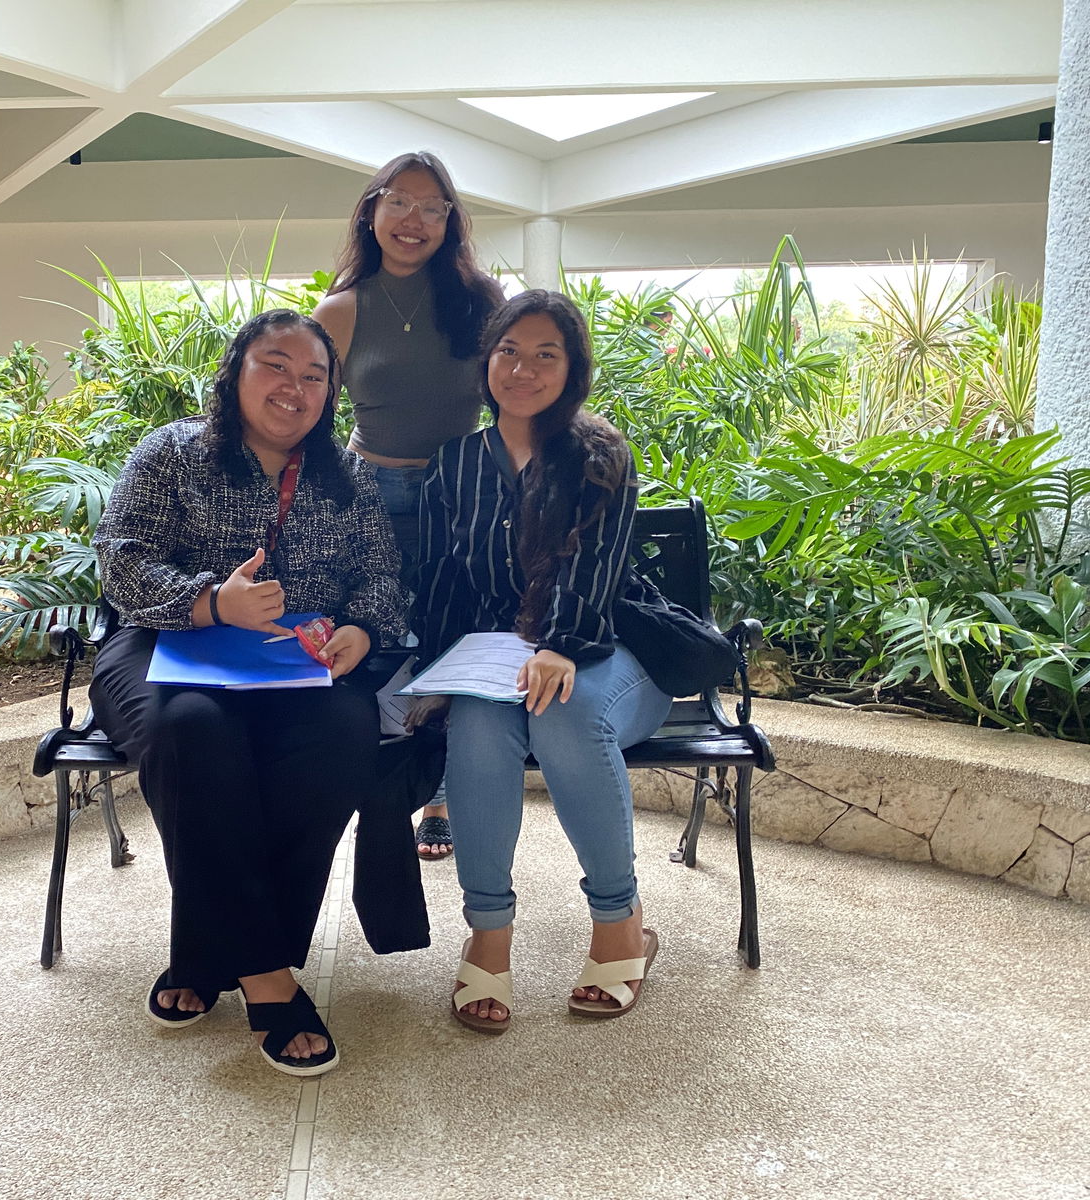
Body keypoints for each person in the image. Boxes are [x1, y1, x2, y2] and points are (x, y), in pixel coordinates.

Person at [89, 309, 405, 1077]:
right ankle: (267, 979)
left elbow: (383, 579)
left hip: (295, 661)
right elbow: (119, 559)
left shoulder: (346, 473)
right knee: (194, 731)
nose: (294, 388)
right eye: (276, 365)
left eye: (314, 375)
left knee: (340, 736)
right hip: (168, 644)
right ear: (236, 372)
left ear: (331, 393)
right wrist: (210, 602)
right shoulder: (171, 452)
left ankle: (203, 953)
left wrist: (362, 629)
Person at [410, 290, 672, 1033]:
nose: (523, 368)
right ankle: (489, 936)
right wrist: (441, 676)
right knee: (481, 727)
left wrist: (560, 646)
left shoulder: (599, 454)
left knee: (562, 715)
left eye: (545, 354)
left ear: (573, 367)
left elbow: (597, 575)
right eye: (509, 351)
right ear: (487, 360)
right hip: (505, 661)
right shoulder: (455, 464)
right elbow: (439, 582)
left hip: (613, 654)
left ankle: (620, 926)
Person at [313, 150, 504, 860]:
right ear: (373, 209)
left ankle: (442, 795)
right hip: (372, 493)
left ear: (450, 220)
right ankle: (385, 783)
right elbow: (309, 418)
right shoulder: (340, 308)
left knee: (450, 636)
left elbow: (513, 390)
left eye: (433, 207)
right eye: (401, 202)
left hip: (462, 493)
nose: (414, 220)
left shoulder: (480, 299)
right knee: (382, 641)